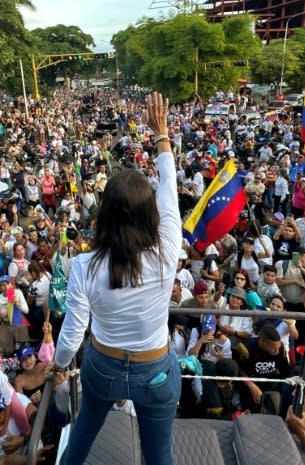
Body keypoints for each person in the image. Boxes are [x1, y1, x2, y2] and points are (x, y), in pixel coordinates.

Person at [54, 92, 181, 465]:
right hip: (156, 371)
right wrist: (162, 135)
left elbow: (73, 333)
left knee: (83, 434)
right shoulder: (168, 248)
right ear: (150, 214)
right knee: (160, 456)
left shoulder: (83, 265)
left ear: (104, 213)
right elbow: (169, 189)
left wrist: (59, 366)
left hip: (102, 368)